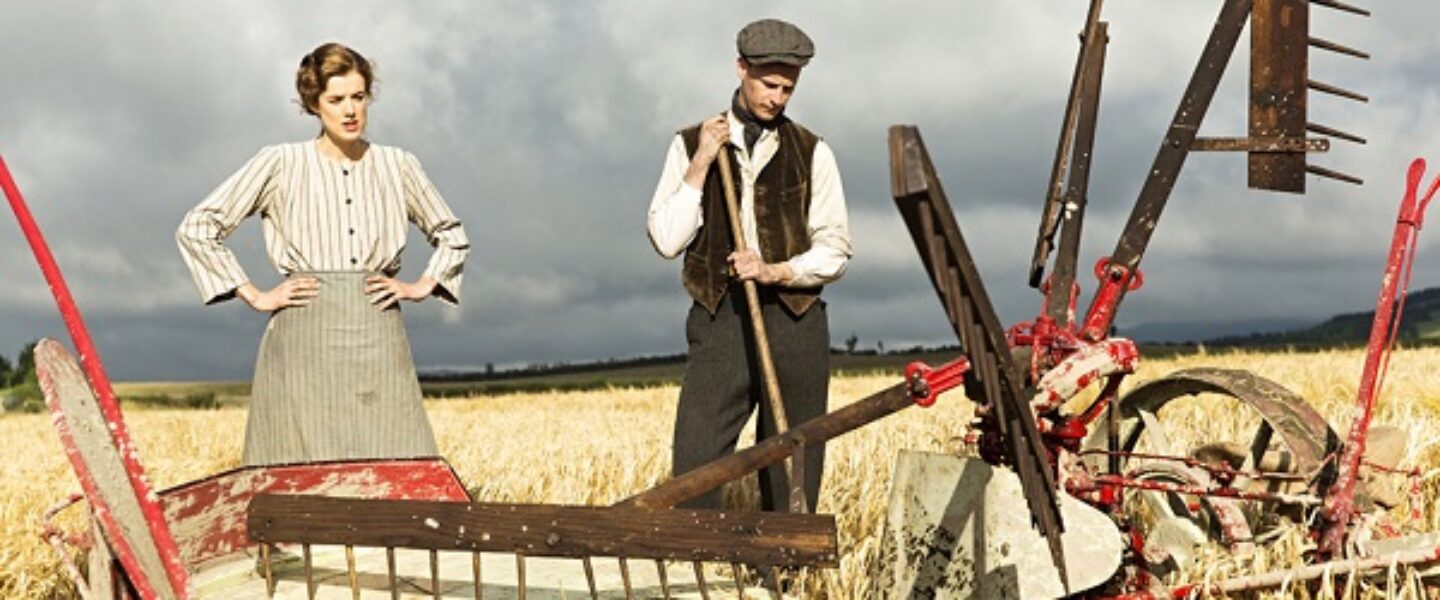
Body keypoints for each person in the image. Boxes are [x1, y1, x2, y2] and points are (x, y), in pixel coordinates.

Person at [177, 43, 469, 466]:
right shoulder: (279, 163)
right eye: (336, 100)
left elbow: (451, 233)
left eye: (359, 97)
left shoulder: (398, 165)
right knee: (299, 466)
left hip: (377, 329)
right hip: (304, 335)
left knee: (394, 457)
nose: (350, 110)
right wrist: (257, 295)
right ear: (314, 103)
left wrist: (422, 286)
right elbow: (198, 227)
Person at [646, 19, 851, 511]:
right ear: (741, 69)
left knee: (794, 456)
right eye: (769, 84)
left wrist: (775, 270)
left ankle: (784, 566)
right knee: (698, 455)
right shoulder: (690, 141)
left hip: (795, 317)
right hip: (720, 316)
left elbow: (836, 247)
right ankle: (695, 566)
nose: (778, 98)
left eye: (788, 88)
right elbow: (666, 239)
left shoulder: (812, 150)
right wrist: (701, 163)